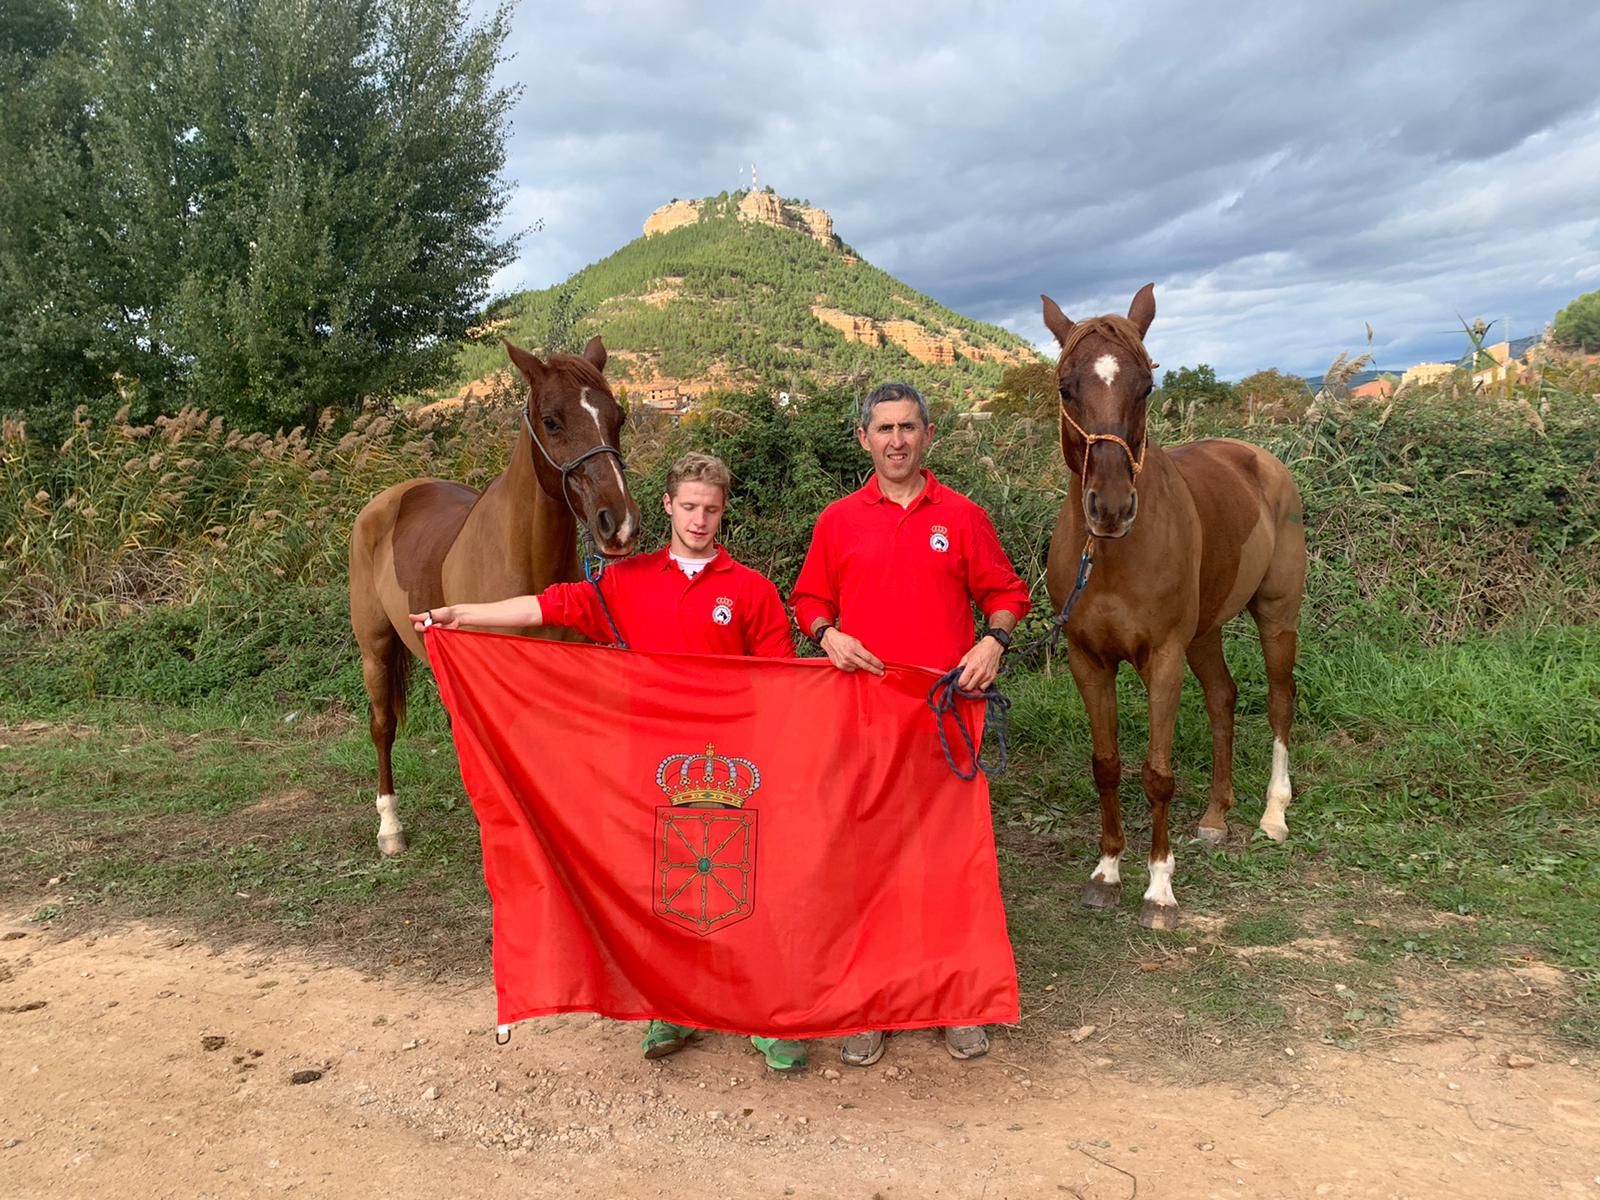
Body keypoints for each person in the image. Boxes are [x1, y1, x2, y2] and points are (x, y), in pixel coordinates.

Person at [411, 451, 805, 1072]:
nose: (700, 519)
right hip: (649, 765)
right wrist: (462, 616)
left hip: (729, 766)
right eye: (690, 506)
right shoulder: (627, 582)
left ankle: (761, 1014)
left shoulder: (751, 590)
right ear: (669, 506)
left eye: (712, 508)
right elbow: (548, 607)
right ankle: (671, 1006)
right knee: (665, 889)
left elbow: (782, 682)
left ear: (722, 512)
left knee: (743, 887)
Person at [789, 382, 1031, 1069]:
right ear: (864, 440)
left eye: (908, 427)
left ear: (929, 435)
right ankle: (871, 1003)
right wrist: (826, 634)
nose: (896, 439)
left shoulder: (962, 516)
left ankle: (958, 1001)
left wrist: (994, 642)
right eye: (883, 428)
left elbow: (1006, 595)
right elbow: (809, 597)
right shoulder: (838, 520)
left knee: (951, 863)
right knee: (867, 862)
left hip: (947, 719)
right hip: (863, 718)